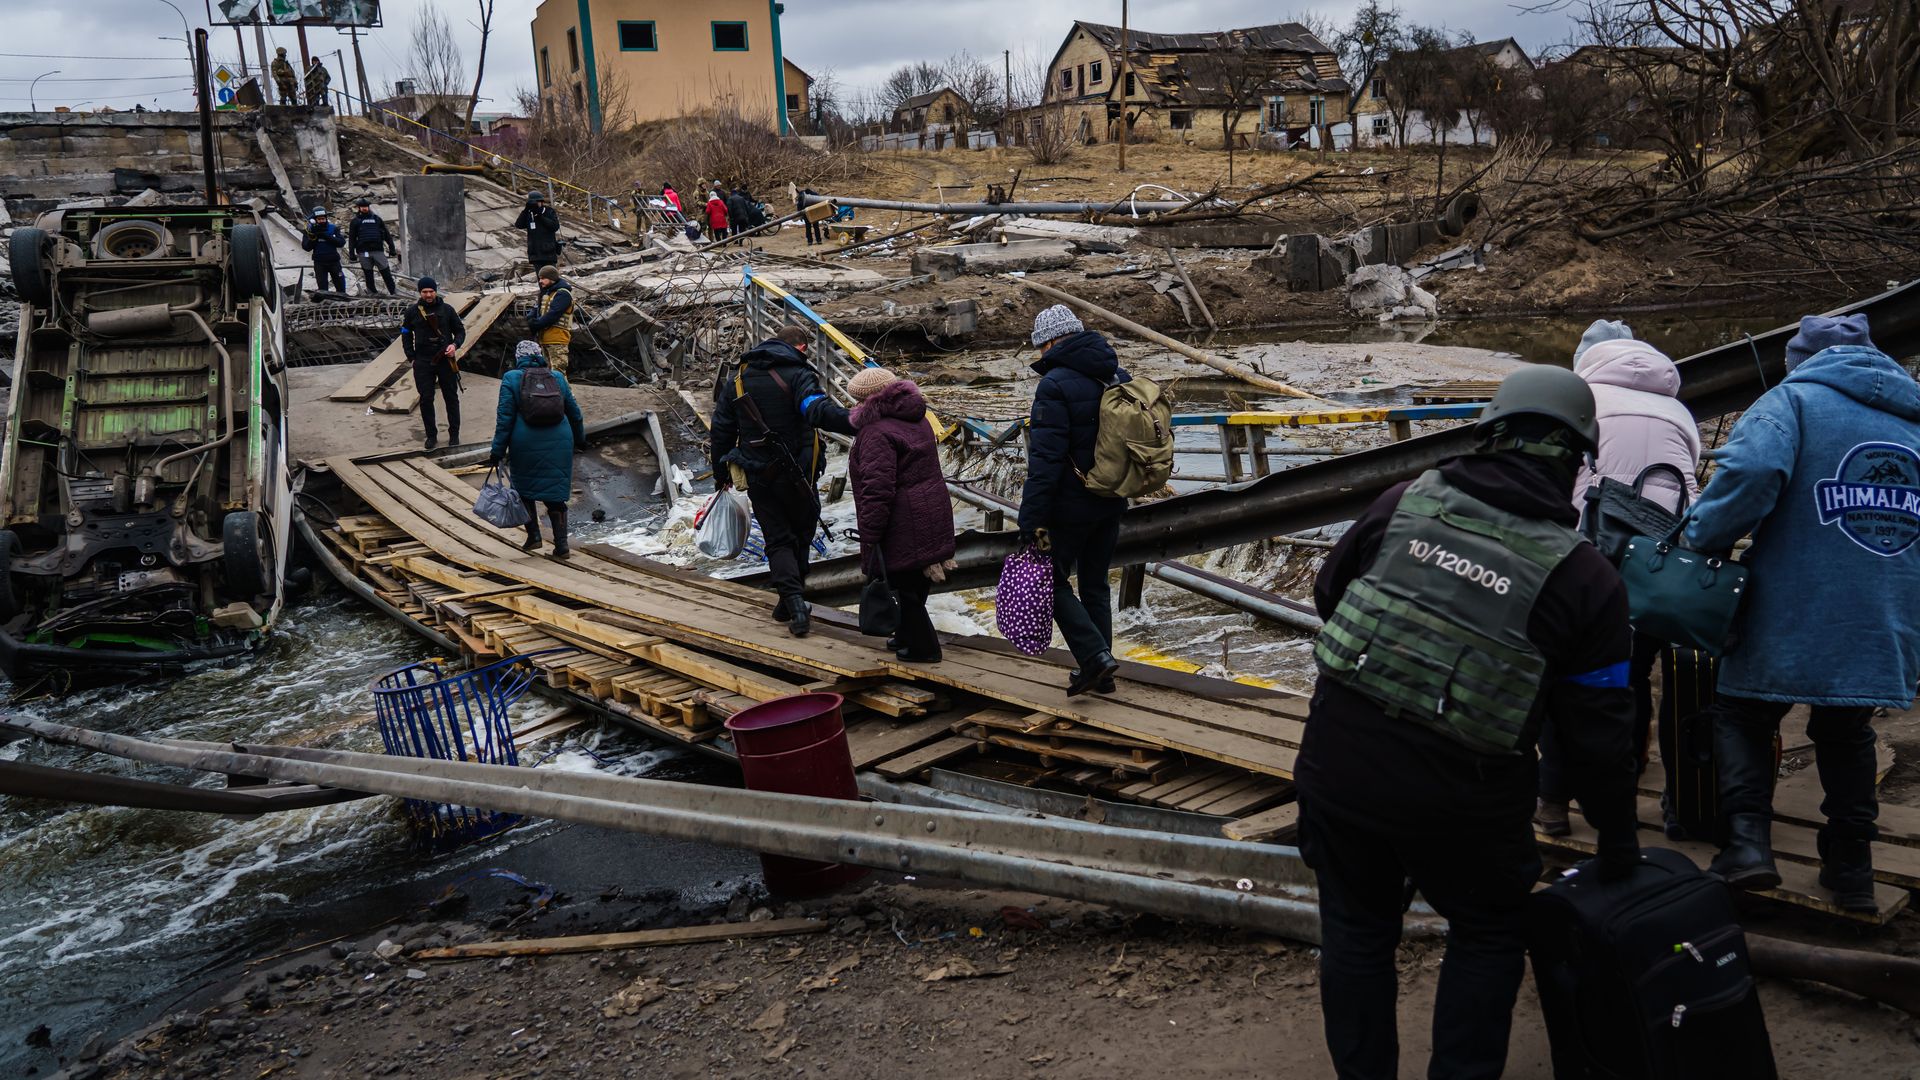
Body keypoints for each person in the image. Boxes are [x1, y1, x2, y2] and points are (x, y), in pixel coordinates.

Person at [1297, 365, 1641, 1080]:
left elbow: (1332, 596)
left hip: (1341, 770)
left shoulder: (1400, 502)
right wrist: (1617, 842)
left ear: (1488, 437)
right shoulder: (1588, 580)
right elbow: (1599, 736)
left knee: (1357, 934)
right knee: (1487, 932)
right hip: (1467, 800)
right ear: (1577, 465)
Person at [1684, 314, 1920, 913]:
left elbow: (1753, 471)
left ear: (1798, 360)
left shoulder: (1790, 401)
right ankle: (1852, 870)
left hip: (1796, 596)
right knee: (1847, 728)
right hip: (1885, 605)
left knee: (1742, 713)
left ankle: (1746, 849)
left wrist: (1705, 540)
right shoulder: (1911, 415)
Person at [1534, 322, 1702, 837]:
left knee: (1569, 677)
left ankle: (1553, 803)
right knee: (1640, 673)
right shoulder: (1679, 412)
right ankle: (1646, 799)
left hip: (1590, 561)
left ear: (1586, 361)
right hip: (1664, 565)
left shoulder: (1578, 402)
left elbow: (1557, 488)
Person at [709, 325, 854, 637]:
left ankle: (790, 602)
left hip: (759, 473)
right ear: (801, 348)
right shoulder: (800, 374)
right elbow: (814, 409)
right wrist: (856, 421)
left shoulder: (738, 378)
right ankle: (794, 598)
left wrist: (721, 476)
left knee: (777, 539)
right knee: (801, 535)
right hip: (800, 472)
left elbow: (721, 429)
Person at [1019, 305, 1128, 696]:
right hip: (1112, 497)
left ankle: (1095, 657)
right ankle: (1104, 675)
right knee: (1096, 584)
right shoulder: (1116, 375)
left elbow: (1045, 460)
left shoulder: (1055, 385)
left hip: (1070, 505)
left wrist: (1030, 518)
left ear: (1049, 342)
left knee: (1053, 581)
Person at [848, 367, 956, 663]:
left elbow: (878, 489)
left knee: (903, 586)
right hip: (931, 508)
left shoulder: (874, 433)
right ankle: (906, 635)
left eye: (856, 401)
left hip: (903, 518)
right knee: (915, 582)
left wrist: (870, 534)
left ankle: (925, 649)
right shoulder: (917, 417)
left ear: (866, 401)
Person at [489, 340, 586, 558]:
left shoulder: (512, 378)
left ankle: (534, 536)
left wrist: (497, 451)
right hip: (559, 442)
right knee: (555, 495)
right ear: (539, 355)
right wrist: (580, 439)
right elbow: (574, 412)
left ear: (518, 357)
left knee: (524, 491)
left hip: (525, 443)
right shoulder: (557, 378)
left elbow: (504, 418)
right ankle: (562, 545)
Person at [400, 277, 466, 451]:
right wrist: (411, 356)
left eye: (431, 291)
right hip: (422, 361)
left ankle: (454, 434)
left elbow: (460, 330)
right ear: (420, 293)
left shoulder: (447, 310)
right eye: (424, 292)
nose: (428, 295)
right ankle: (431, 436)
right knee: (426, 398)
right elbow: (405, 332)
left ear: (435, 291)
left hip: (445, 359)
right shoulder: (412, 312)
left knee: (451, 398)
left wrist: (454, 345)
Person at [347, 197, 400, 296]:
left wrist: (392, 249)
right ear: (358, 208)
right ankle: (372, 294)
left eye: (366, 207)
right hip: (363, 252)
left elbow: (387, 235)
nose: (364, 208)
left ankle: (394, 293)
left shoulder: (377, 219)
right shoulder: (355, 221)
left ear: (368, 207)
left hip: (378, 251)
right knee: (368, 274)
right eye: (362, 207)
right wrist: (351, 255)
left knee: (386, 273)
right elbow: (352, 239)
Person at [527, 265, 574, 374]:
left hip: (557, 340)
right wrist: (531, 318)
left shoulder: (563, 294)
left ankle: (566, 392)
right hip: (545, 339)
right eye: (540, 278)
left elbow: (554, 314)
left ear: (551, 278)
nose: (540, 281)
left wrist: (536, 324)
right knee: (547, 374)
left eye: (543, 278)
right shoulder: (547, 293)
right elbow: (537, 309)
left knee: (558, 373)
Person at [300, 207, 347, 294]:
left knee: (340, 284)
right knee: (322, 287)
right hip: (319, 263)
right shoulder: (309, 231)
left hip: (334, 261)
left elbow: (341, 243)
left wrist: (325, 235)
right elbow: (306, 247)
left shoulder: (333, 228)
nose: (321, 221)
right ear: (314, 220)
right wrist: (315, 237)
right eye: (319, 219)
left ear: (326, 218)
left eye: (323, 218)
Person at [514, 191, 562, 269]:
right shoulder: (528, 213)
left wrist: (540, 216)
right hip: (535, 253)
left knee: (551, 277)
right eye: (533, 203)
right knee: (541, 279)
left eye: (537, 202)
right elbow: (518, 225)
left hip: (548, 252)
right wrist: (526, 210)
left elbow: (554, 226)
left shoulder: (549, 211)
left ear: (541, 202)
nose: (535, 204)